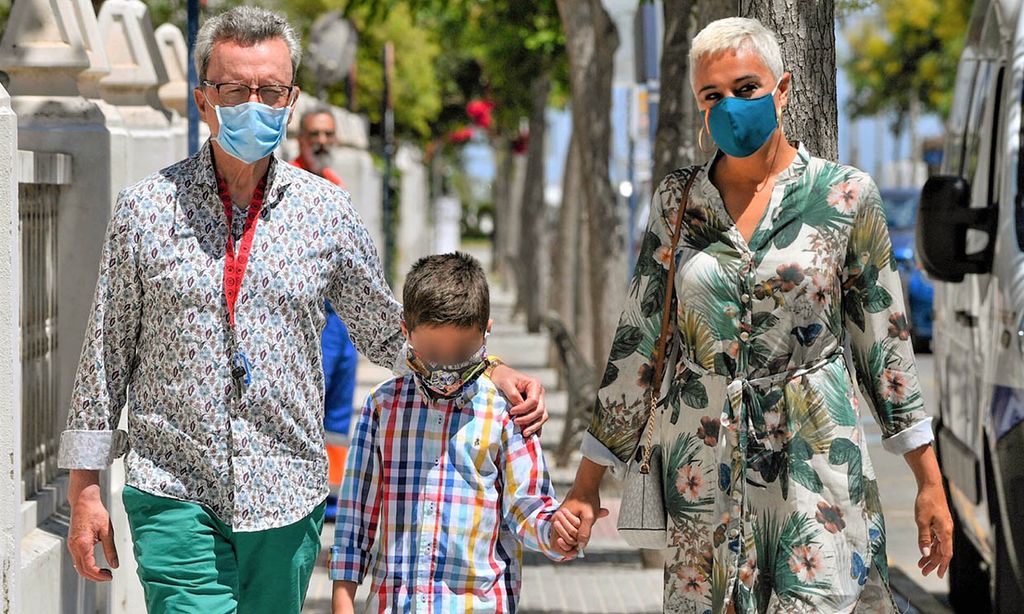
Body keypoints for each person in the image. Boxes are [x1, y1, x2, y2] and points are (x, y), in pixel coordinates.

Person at [57, 8, 547, 614]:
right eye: (236, 88)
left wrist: (488, 368)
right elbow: (104, 356)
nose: (253, 103)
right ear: (204, 99)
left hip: (285, 491)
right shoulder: (145, 211)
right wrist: (84, 491)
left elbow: (384, 328)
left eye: (271, 90)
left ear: (290, 99)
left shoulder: (326, 213)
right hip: (172, 487)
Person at [558, 17, 953, 613]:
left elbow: (884, 347)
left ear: (784, 89)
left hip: (815, 458)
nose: (731, 106)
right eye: (712, 95)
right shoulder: (679, 201)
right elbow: (640, 343)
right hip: (703, 463)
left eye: (746, 88)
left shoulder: (846, 197)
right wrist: (586, 489)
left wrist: (930, 481)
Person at [330, 253, 577, 613]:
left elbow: (530, 507)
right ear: (405, 332)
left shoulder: (507, 412)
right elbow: (355, 521)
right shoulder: (383, 408)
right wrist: (342, 602)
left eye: (462, 353)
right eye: (431, 353)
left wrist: (559, 528)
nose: (446, 370)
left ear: (485, 332)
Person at [292, 107, 359, 521]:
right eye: (314, 133)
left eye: (328, 135)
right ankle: (307, 491)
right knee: (308, 403)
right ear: (300, 139)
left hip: (341, 319)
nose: (322, 141)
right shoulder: (287, 182)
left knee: (337, 412)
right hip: (312, 315)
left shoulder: (335, 185)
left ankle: (332, 497)